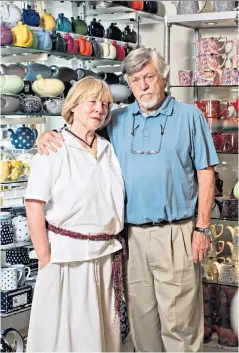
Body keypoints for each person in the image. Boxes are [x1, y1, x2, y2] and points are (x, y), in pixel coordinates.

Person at [37, 48, 219, 352]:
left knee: (180, 323)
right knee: (141, 320)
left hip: (176, 233)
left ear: (163, 78)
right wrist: (45, 137)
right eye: (135, 80)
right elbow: (80, 131)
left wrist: (202, 229)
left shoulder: (190, 117)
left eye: (148, 77)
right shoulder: (118, 119)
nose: (143, 85)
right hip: (130, 237)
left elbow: (206, 174)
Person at [25, 77, 125, 352]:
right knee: (69, 334)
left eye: (105, 104)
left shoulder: (107, 148)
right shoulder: (54, 148)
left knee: (102, 331)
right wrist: (45, 257)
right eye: (92, 102)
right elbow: (34, 205)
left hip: (105, 253)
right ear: (73, 106)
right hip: (66, 257)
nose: (100, 109)